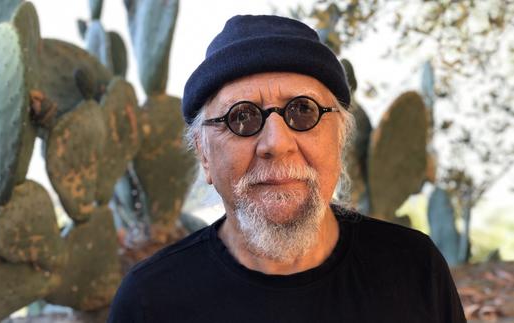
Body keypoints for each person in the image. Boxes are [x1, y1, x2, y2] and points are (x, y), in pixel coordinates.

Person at [108, 15, 466, 323]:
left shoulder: (415, 268)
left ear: (339, 141)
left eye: (303, 111)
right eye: (242, 117)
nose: (276, 143)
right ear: (204, 154)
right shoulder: (149, 301)